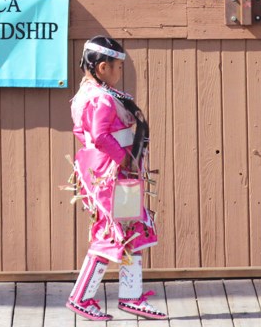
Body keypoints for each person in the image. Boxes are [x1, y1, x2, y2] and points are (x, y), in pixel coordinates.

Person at [66, 36, 166, 320]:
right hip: (110, 173)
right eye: (117, 66)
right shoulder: (100, 98)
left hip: (111, 170)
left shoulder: (88, 94)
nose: (120, 72)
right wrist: (124, 159)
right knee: (111, 232)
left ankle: (131, 297)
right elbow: (99, 136)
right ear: (101, 68)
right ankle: (81, 298)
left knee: (131, 228)